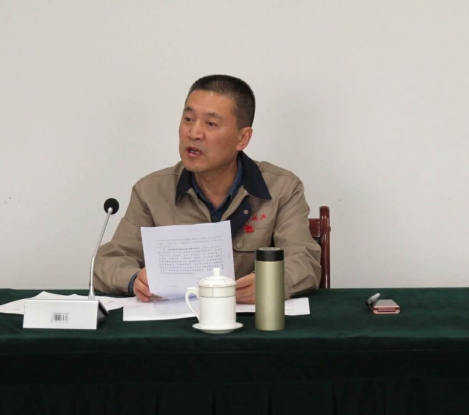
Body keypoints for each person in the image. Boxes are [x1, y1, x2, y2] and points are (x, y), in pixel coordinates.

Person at [94, 75, 321, 304]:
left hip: (248, 320)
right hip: (176, 319)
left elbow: (304, 261)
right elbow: (109, 261)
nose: (194, 133)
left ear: (242, 138)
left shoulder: (282, 188)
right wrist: (134, 279)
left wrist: (271, 283)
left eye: (211, 124)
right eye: (188, 119)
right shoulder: (151, 191)